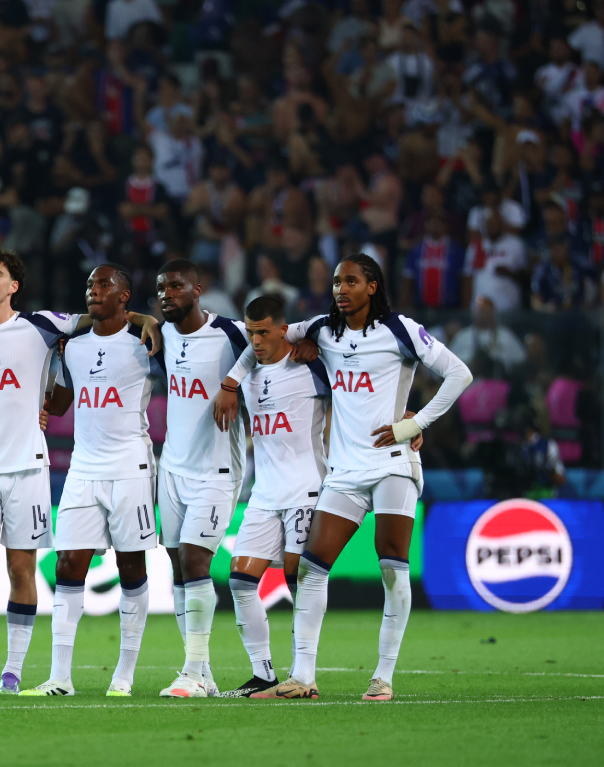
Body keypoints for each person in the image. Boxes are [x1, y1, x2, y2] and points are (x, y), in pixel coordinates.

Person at [215, 254, 472, 701]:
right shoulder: (320, 330)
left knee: (392, 567)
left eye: (350, 281)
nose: (340, 288)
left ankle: (383, 677)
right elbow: (265, 337)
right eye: (336, 282)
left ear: (372, 286)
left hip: (392, 464)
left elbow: (459, 373)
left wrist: (414, 425)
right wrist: (232, 382)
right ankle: (302, 677)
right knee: (312, 570)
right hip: (344, 472)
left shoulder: (401, 330)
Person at [0, 249, 160, 695]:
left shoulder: (42, 326)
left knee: (21, 570)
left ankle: (13, 672)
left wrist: (146, 319)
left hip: (27, 470)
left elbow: (100, 318)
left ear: (14, 287)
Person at [22, 264, 162, 698]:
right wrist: (39, 404)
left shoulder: (145, 344)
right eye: (89, 284)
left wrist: (149, 319)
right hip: (83, 468)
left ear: (125, 297)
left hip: (129, 467)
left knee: (131, 566)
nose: (93, 290)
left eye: (104, 285)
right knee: (67, 567)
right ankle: (59, 677)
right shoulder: (74, 346)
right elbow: (62, 402)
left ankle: (124, 675)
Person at [222, 295, 330, 697]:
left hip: (306, 488)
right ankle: (263, 673)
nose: (255, 340)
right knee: (240, 581)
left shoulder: (313, 366)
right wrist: (229, 383)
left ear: (285, 329)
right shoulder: (245, 371)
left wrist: (407, 417)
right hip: (264, 494)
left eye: (264, 332)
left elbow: (358, 396)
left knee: (297, 577)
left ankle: (305, 675)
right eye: (250, 333)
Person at [150, 258, 248, 698]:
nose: (167, 294)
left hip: (217, 470)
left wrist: (231, 385)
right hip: (171, 468)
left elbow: (282, 342)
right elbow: (130, 321)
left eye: (175, 286)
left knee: (195, 561)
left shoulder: (233, 334)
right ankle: (201, 672)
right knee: (176, 568)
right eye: (161, 288)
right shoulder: (162, 333)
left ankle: (192, 670)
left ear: (198, 289)